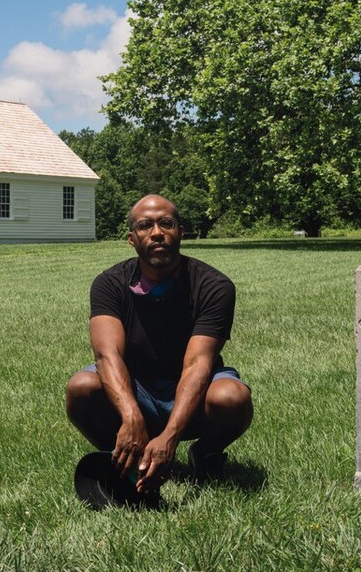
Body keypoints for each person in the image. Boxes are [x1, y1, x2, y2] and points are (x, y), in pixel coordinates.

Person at [66, 194, 253, 495]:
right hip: (135, 385)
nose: (156, 232)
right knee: (81, 387)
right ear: (131, 238)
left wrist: (171, 436)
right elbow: (107, 355)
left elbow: (198, 365)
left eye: (166, 223)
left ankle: (205, 453)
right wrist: (130, 416)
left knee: (232, 397)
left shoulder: (214, 286)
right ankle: (122, 458)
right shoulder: (109, 283)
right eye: (145, 225)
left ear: (181, 232)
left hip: (192, 386)